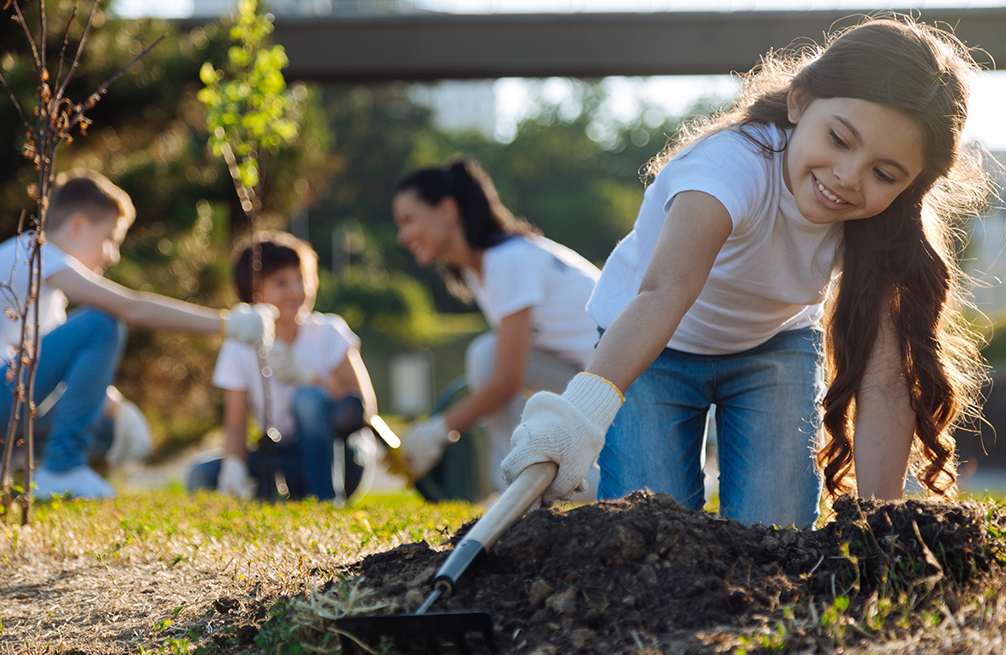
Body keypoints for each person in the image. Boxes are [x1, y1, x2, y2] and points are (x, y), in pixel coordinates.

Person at [500, 17, 992, 527]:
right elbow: (664, 293)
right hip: (654, 347)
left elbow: (885, 380)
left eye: (884, 173)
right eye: (840, 139)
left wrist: (878, 525)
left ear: (911, 183)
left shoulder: (885, 222)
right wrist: (576, 419)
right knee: (650, 526)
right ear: (800, 102)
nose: (849, 177)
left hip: (772, 349)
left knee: (775, 535)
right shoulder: (726, 171)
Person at [0, 170, 276, 499]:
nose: (112, 255)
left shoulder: (42, 281)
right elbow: (133, 308)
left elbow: (61, 374)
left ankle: (34, 471)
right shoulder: (37, 254)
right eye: (111, 240)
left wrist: (120, 409)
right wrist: (227, 324)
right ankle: (61, 469)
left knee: (107, 426)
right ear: (77, 226)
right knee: (102, 323)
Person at [392, 158, 602, 494]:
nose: (403, 236)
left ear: (447, 210)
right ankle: (522, 477)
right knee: (487, 353)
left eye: (408, 220)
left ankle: (521, 481)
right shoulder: (487, 270)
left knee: (486, 355)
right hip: (595, 385)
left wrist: (437, 430)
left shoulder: (508, 260)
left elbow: (506, 379)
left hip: (626, 393)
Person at [186, 231, 378, 503]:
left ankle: (326, 500)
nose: (297, 291)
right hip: (286, 457)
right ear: (254, 292)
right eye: (281, 283)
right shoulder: (240, 345)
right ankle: (282, 497)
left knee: (307, 400)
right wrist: (234, 465)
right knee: (201, 476)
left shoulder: (329, 332)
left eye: (303, 279)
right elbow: (236, 423)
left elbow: (362, 406)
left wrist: (311, 380)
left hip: (342, 457)